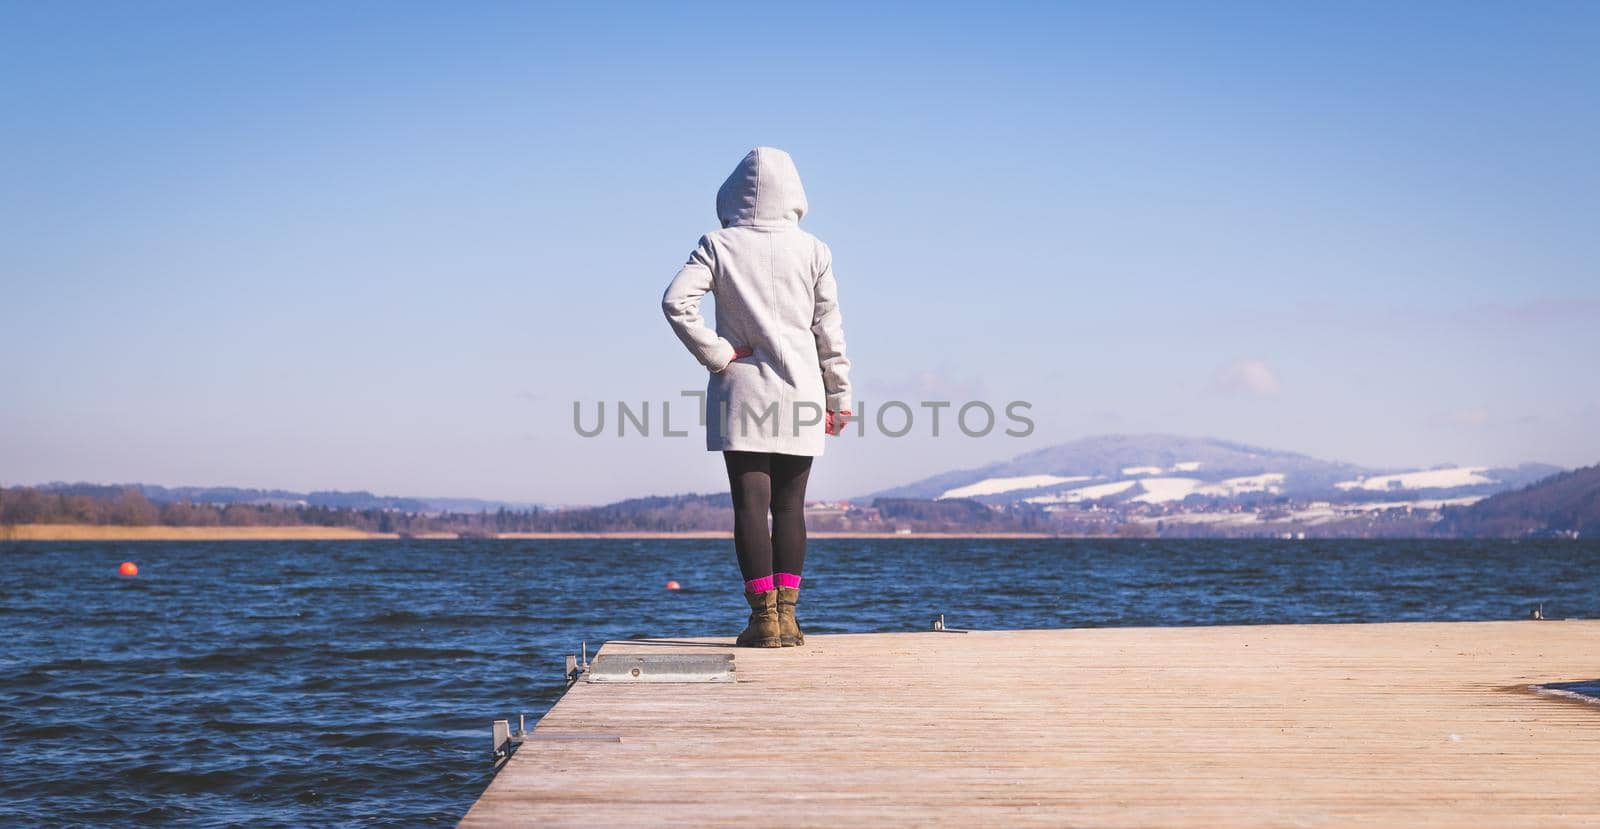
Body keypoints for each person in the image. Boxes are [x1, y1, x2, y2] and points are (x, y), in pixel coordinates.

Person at [661, 147, 853, 648]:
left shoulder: (718, 245)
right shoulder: (815, 249)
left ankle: (762, 619)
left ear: (732, 192)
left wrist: (718, 353)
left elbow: (675, 301)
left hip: (742, 387)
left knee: (750, 505)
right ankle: (789, 618)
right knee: (791, 508)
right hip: (803, 389)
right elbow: (827, 330)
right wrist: (840, 396)